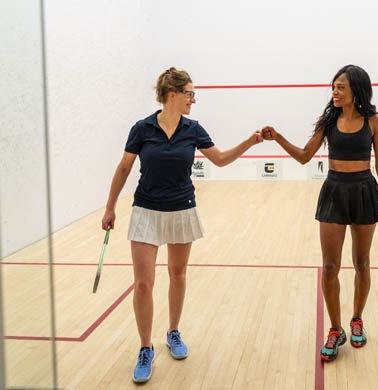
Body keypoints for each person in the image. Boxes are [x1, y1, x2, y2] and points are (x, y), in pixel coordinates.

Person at [101, 67, 263, 383]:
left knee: (177, 274)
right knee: (144, 283)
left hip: (181, 209)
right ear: (172, 95)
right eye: (190, 93)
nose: (194, 99)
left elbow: (219, 159)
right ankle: (145, 348)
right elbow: (123, 168)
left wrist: (250, 142)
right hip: (145, 211)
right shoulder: (142, 128)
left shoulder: (193, 129)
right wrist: (109, 207)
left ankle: (173, 332)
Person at [262, 64, 378, 361]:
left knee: (362, 262)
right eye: (333, 87)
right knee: (330, 266)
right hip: (334, 191)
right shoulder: (327, 121)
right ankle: (336, 329)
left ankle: (357, 318)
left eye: (341, 87)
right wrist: (279, 137)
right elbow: (304, 156)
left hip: (364, 191)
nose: (334, 92)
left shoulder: (373, 122)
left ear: (356, 90)